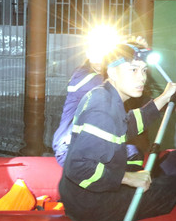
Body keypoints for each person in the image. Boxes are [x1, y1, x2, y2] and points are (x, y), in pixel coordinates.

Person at [59, 38, 176, 221]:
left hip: (80, 195)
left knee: (142, 170)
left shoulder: (104, 94)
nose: (142, 78)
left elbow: (127, 124)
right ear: (113, 72)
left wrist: (164, 98)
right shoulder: (102, 110)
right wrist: (129, 179)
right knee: (173, 186)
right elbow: (78, 168)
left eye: (144, 70)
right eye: (133, 70)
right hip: (91, 204)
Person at [52, 35, 150, 166]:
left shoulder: (116, 80)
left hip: (99, 143)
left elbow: (139, 96)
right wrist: (129, 48)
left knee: (133, 152)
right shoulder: (82, 75)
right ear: (88, 54)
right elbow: (116, 83)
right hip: (69, 147)